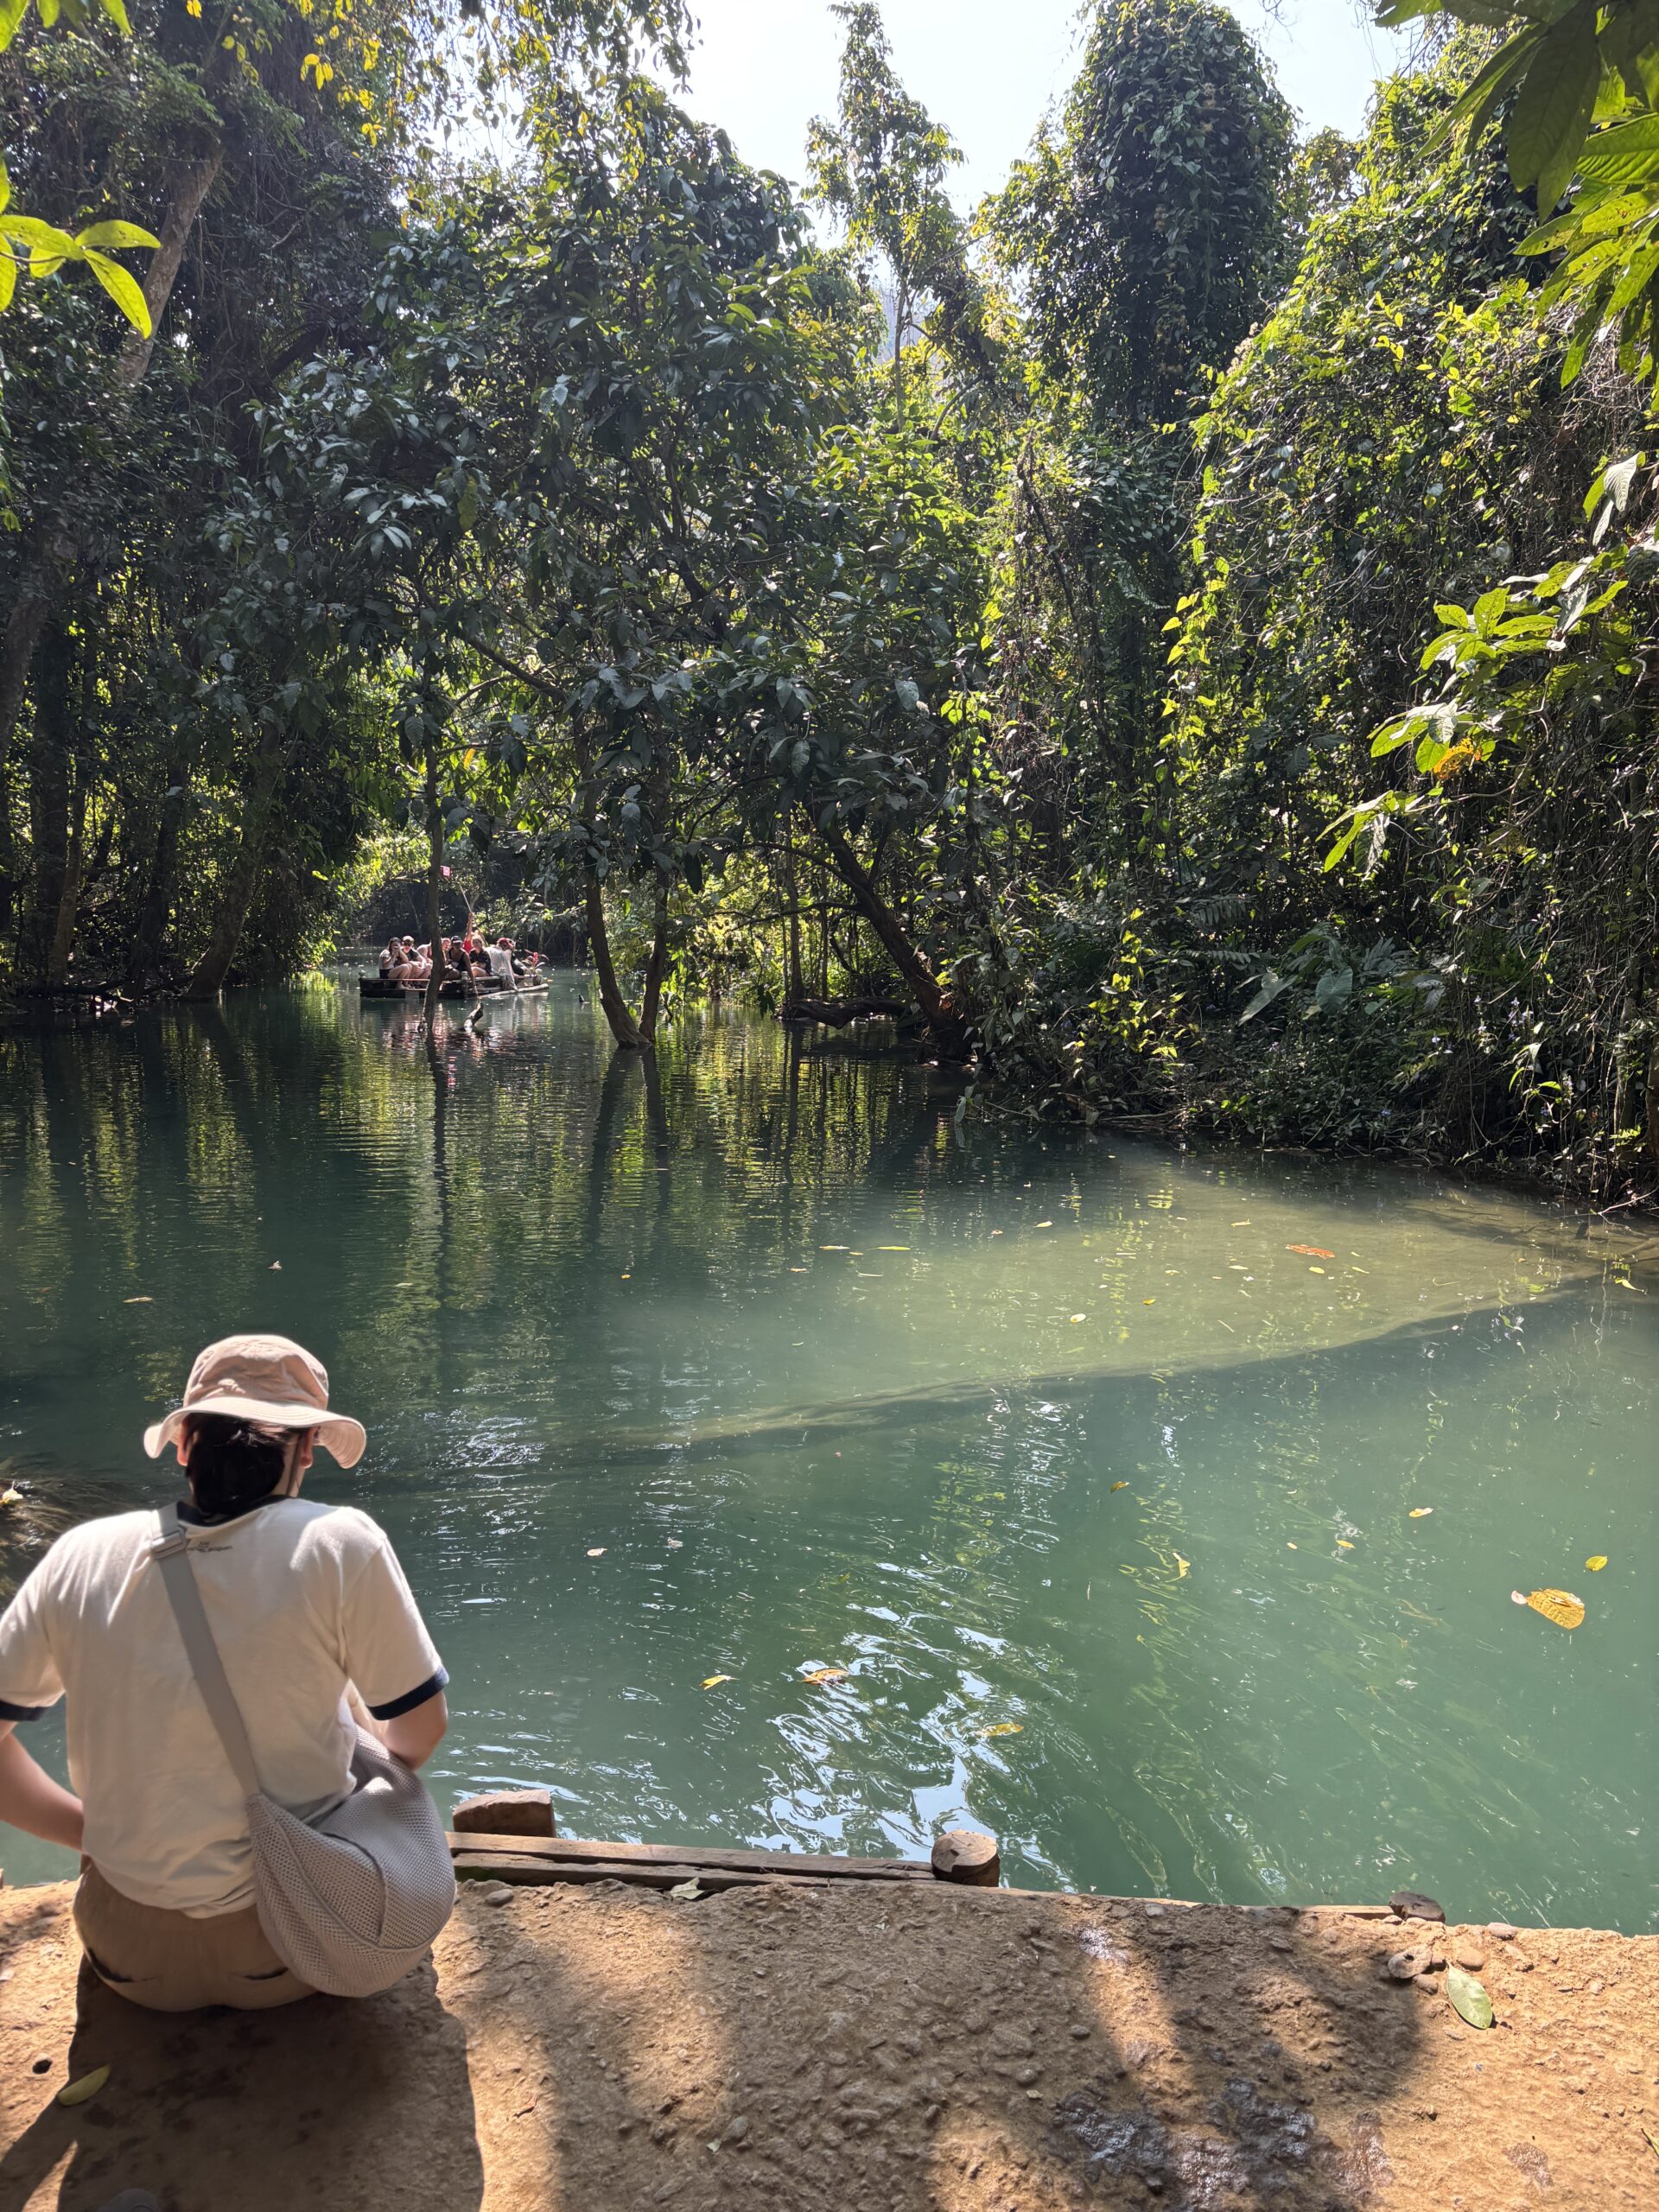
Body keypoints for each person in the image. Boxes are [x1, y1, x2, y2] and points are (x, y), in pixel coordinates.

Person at [0, 1334, 448, 2012]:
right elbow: (419, 1733)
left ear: (183, 1446)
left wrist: (91, 1836)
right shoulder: (339, 1542)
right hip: (290, 1945)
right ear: (305, 1450)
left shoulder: (80, 1554)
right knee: (353, 1707)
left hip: (128, 1956)